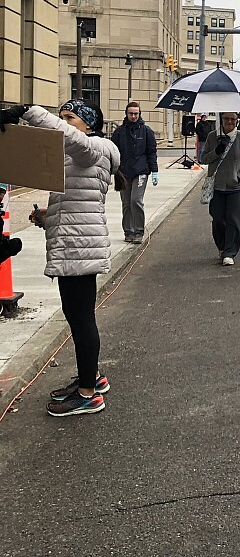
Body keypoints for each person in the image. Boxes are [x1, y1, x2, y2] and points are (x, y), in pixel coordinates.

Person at [0, 99, 120, 417]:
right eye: (61, 116)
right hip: (75, 242)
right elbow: (77, 203)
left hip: (79, 248)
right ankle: (92, 377)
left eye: (70, 117)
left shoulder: (94, 147)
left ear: (89, 124)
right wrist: (48, 215)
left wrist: (28, 112)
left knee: (81, 320)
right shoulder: (78, 153)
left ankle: (88, 395)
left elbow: (70, 138)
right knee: (78, 317)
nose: (64, 122)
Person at [200, 112, 240, 266]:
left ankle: (229, 252)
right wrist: (216, 151)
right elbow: (203, 158)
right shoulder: (212, 137)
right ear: (222, 120)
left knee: (234, 221)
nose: (229, 121)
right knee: (218, 219)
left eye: (233, 119)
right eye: (226, 119)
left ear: (237, 121)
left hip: (236, 187)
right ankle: (222, 246)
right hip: (217, 187)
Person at [110, 101, 158, 243]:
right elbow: (113, 152)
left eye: (136, 114)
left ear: (139, 114)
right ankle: (128, 231)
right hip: (123, 172)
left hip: (141, 170)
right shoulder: (119, 132)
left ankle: (138, 231)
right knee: (126, 203)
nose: (133, 116)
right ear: (126, 114)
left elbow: (151, 152)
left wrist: (154, 171)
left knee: (136, 200)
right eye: (131, 113)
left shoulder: (146, 131)